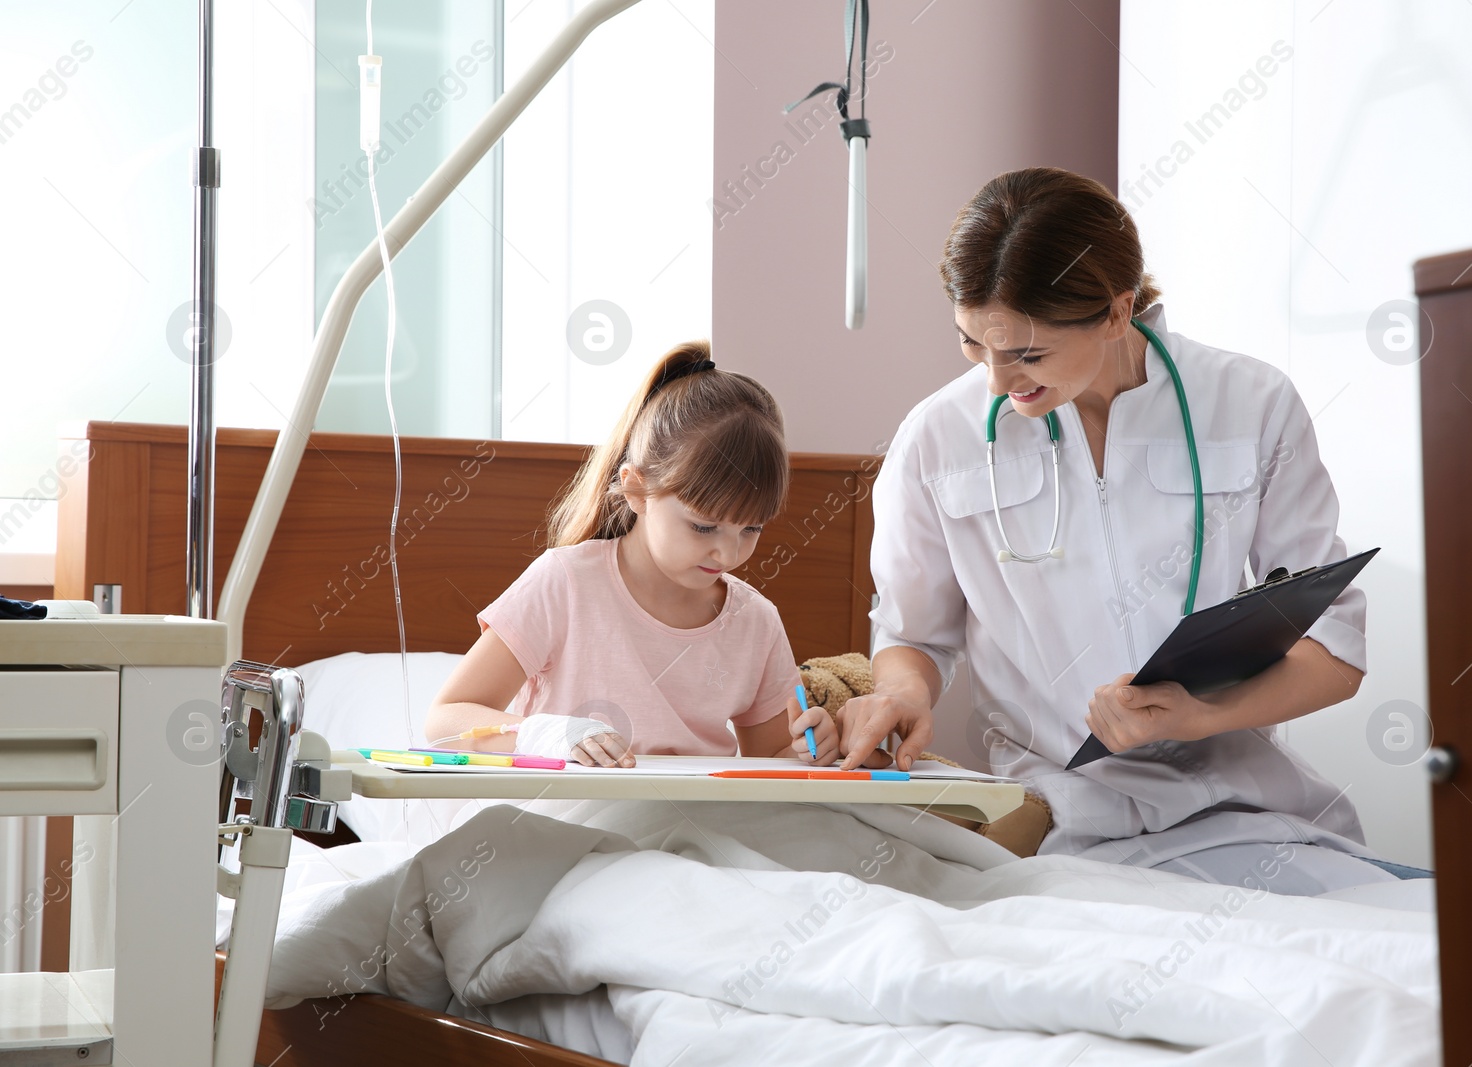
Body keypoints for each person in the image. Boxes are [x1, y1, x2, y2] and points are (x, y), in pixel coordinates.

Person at [838, 168, 1421, 893]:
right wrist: (902, 696)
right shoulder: (936, 439)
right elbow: (914, 637)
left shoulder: (1252, 404)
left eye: (1027, 355)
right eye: (971, 345)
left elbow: (1334, 647)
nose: (995, 382)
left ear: (1117, 313)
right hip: (1057, 825)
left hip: (1248, 815)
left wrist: (1203, 713)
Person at [426, 341, 837, 767]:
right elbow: (446, 719)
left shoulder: (755, 620)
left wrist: (813, 747)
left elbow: (769, 757)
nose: (728, 552)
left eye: (751, 529)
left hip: (700, 821)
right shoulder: (566, 582)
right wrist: (552, 734)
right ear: (637, 490)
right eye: (703, 526)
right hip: (576, 813)